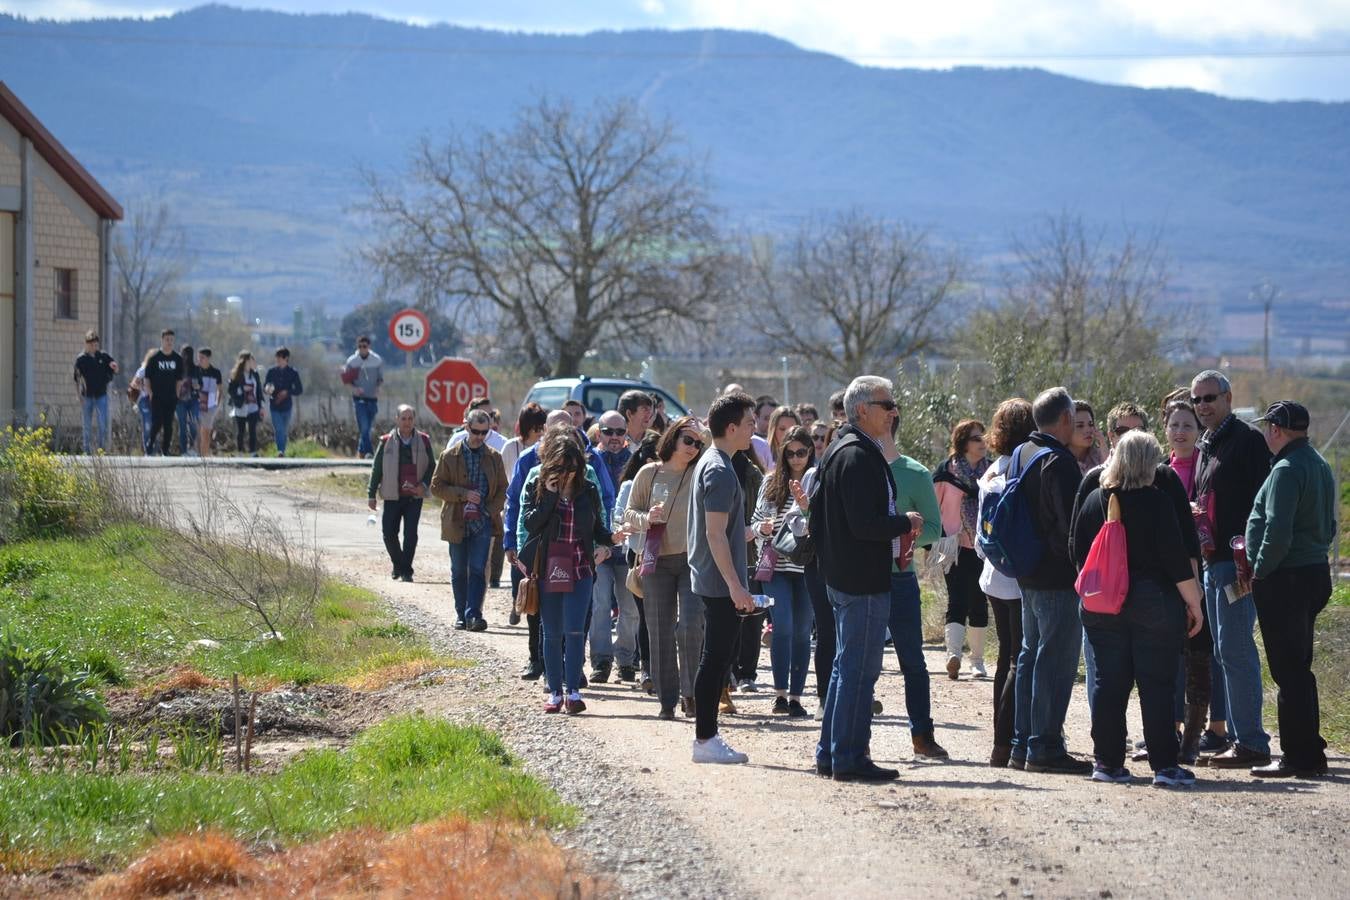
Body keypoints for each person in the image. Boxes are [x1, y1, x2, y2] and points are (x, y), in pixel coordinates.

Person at [1070, 431, 1205, 787]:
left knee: (1109, 683)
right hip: (1154, 605)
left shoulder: (1094, 500)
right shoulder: (1158, 502)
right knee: (1157, 685)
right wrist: (1194, 603)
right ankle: (1164, 766)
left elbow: (1076, 553)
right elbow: (1176, 560)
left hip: (1101, 608)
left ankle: (1108, 763)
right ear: (1150, 463)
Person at [813, 376, 921, 782]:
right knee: (859, 670)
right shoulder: (856, 455)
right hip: (860, 578)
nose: (894, 410)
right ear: (863, 410)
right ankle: (850, 757)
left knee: (847, 667)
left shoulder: (845, 448)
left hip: (845, 575)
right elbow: (864, 524)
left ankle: (832, 752)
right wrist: (904, 522)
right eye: (886, 404)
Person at [1246, 401, 1336, 777]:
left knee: (1289, 671)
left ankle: (1298, 756)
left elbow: (1277, 533)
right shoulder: (1318, 463)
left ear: (1277, 430)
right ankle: (1310, 749)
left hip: (1286, 578)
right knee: (1299, 667)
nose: (1267, 433)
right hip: (1314, 571)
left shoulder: (1285, 469)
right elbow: (1330, 527)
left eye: (1268, 427)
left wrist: (1260, 572)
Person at [1189, 370, 1273, 769]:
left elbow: (1265, 504)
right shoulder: (1207, 445)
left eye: (1210, 398)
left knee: (1236, 649)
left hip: (1236, 566)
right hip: (1212, 563)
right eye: (1197, 400)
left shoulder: (1247, 441)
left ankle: (1252, 743)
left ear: (1228, 398)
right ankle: (1241, 738)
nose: (1203, 406)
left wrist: (1251, 559)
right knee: (1223, 651)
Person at [1011, 386, 1091, 775]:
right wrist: (1081, 566)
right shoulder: (1057, 461)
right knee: (1054, 661)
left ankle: (1022, 742)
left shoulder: (1020, 453)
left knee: (1030, 656)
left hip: (1025, 572)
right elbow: (1068, 526)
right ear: (1063, 420)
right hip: (1056, 577)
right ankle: (1044, 746)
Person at [506, 414, 608, 681]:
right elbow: (524, 521)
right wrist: (522, 553)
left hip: (579, 560)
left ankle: (571, 669)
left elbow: (600, 516)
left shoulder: (588, 478)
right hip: (546, 560)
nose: (567, 472)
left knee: (578, 618)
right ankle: (549, 670)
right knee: (546, 621)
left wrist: (604, 546)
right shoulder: (534, 476)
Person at [520, 436, 613, 715]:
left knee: (574, 631)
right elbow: (530, 523)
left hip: (581, 568)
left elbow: (597, 528)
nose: (566, 474)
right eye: (559, 467)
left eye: (571, 468)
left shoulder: (588, 490)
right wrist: (548, 496)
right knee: (551, 632)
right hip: (549, 569)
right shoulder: (538, 487)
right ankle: (555, 692)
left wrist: (612, 539)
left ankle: (573, 691)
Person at [688, 392, 757, 763]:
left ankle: (707, 738)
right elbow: (714, 534)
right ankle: (705, 740)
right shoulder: (719, 469)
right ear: (731, 428)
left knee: (716, 657)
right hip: (718, 580)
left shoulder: (715, 462)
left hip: (714, 576)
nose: (754, 429)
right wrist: (735, 585)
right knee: (715, 659)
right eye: (749, 423)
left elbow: (722, 528)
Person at [625, 417, 706, 719]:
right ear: (672, 439)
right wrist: (648, 519)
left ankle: (691, 693)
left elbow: (715, 445)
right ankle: (667, 700)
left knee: (690, 625)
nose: (693, 448)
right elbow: (629, 513)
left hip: (690, 560)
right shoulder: (650, 472)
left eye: (698, 444)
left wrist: (700, 428)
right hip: (655, 560)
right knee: (658, 630)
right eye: (688, 440)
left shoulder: (699, 472)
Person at [879, 418, 948, 759]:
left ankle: (922, 735)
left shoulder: (916, 472)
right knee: (854, 662)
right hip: (858, 579)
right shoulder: (852, 467)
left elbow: (935, 528)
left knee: (912, 661)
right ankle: (851, 738)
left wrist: (904, 534)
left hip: (899, 578)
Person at [1165, 398, 1226, 761]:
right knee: (1174, 653)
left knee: (1207, 652)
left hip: (1205, 566)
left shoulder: (1208, 465)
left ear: (1198, 430)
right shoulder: (1160, 469)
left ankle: (1215, 728)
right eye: (1175, 425)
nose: (1181, 432)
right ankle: (1169, 728)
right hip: (1172, 572)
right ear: (1166, 430)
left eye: (1188, 425)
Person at [978, 398, 1035, 767]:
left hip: (994, 574)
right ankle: (1010, 741)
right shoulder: (1026, 468)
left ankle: (1002, 742)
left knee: (1005, 658)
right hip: (1020, 575)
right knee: (1019, 657)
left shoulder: (990, 472)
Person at [752, 425, 815, 718]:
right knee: (784, 626)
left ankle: (796, 697)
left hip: (807, 567)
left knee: (803, 631)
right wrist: (762, 528)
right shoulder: (770, 483)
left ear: (810, 452)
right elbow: (756, 521)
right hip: (775, 564)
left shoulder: (817, 482)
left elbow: (823, 521)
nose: (795, 459)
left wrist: (805, 508)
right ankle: (778, 694)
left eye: (801, 452)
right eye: (789, 453)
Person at [431, 408, 507, 626]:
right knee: (458, 569)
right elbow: (436, 487)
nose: (480, 437)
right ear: (466, 427)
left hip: (482, 523)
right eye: (476, 431)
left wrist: (489, 510)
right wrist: (463, 495)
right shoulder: (449, 456)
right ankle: (460, 614)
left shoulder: (494, 457)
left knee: (477, 568)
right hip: (456, 521)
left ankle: (474, 614)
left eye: (485, 433)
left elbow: (503, 489)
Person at [933, 419, 993, 680]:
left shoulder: (992, 472)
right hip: (953, 545)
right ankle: (953, 655)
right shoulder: (945, 472)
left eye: (983, 437)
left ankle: (977, 661)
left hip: (984, 546)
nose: (983, 442)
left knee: (980, 601)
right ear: (963, 443)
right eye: (977, 438)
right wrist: (932, 540)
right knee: (956, 599)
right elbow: (933, 506)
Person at [589, 411, 639, 684]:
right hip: (598, 546)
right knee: (599, 605)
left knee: (629, 607)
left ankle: (626, 660)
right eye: (609, 432)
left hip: (627, 548)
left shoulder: (634, 462)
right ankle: (601, 660)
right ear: (599, 432)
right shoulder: (590, 461)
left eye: (620, 432)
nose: (615, 438)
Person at [614, 430, 662, 696]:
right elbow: (620, 520)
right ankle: (647, 668)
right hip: (640, 556)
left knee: (664, 616)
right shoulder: (630, 486)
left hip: (668, 555)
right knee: (645, 615)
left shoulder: (676, 482)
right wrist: (641, 520)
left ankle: (664, 667)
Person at [369, 405, 435, 583]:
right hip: (392, 495)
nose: (407, 422)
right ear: (396, 419)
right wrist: (371, 494)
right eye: (403, 418)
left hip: (414, 496)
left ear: (414, 420)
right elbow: (377, 469)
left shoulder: (424, 440)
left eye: (410, 419)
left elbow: (432, 466)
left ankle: (407, 571)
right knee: (389, 533)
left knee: (411, 534)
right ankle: (398, 564)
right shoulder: (386, 441)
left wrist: (424, 485)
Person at [502, 403, 548, 614]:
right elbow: (508, 484)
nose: (539, 431)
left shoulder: (547, 449)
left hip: (536, 511)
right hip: (518, 506)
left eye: (542, 426)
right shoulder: (514, 449)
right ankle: (517, 599)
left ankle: (527, 601)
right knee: (518, 563)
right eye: (535, 426)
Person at [73, 330, 117, 454]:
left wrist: (115, 366)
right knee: (86, 425)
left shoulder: (103, 356)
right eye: (91, 344)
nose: (94, 347)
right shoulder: (81, 359)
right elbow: (77, 379)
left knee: (102, 424)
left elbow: (113, 366)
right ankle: (86, 450)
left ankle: (101, 449)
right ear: (86, 344)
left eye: (96, 344)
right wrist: (78, 396)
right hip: (86, 396)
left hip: (101, 395)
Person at [145, 329, 184, 456]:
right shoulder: (155, 358)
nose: (169, 342)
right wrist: (150, 392)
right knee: (157, 421)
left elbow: (179, 379)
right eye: (167, 340)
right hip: (157, 396)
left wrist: (177, 393)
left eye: (172, 340)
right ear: (162, 340)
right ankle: (150, 443)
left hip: (171, 396)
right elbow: (147, 377)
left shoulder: (177, 359)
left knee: (168, 424)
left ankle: (165, 450)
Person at [344, 336, 384, 459]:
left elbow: (380, 379)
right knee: (364, 426)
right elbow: (347, 380)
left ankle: (361, 452)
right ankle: (369, 453)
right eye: (360, 346)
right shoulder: (352, 361)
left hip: (372, 398)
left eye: (364, 346)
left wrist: (378, 388)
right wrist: (354, 389)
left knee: (367, 428)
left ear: (369, 347)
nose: (362, 349)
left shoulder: (377, 360)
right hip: (359, 399)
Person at [265, 347, 304, 458]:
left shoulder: (293, 373)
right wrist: (268, 389)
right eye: (276, 358)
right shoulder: (271, 372)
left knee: (284, 430)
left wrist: (287, 392)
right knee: (279, 429)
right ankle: (280, 451)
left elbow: (299, 389)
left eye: (280, 358)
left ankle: (282, 450)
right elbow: (266, 385)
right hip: (274, 405)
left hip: (287, 406)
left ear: (286, 358)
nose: (277, 360)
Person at [227, 352, 263, 456]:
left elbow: (258, 391)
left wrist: (261, 406)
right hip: (241, 406)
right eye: (250, 360)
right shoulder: (237, 374)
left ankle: (253, 452)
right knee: (241, 431)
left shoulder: (255, 374)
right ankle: (240, 452)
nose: (252, 362)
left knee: (252, 430)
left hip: (253, 406)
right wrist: (242, 389)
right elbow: (231, 390)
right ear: (245, 361)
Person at [195, 349, 222, 457]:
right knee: (197, 432)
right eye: (198, 357)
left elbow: (220, 389)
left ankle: (204, 456)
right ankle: (198, 455)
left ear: (208, 358)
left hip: (210, 406)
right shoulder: (196, 370)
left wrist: (217, 404)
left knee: (206, 433)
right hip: (197, 404)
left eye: (202, 357)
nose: (199, 360)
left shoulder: (216, 372)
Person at [129, 350, 156, 456]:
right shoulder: (143, 369)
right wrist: (142, 385)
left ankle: (153, 449)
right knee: (147, 424)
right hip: (144, 399)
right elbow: (134, 383)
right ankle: (148, 451)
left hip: (156, 400)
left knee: (155, 425)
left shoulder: (159, 369)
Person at [174, 344, 198, 457]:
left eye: (187, 354)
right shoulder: (176, 368)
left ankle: (192, 448)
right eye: (183, 354)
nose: (185, 357)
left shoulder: (196, 369)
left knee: (193, 424)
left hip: (193, 399)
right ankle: (184, 451)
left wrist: (197, 386)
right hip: (179, 401)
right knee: (182, 426)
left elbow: (201, 384)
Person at [1070, 401, 1106, 475]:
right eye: (1080, 426)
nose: (1088, 430)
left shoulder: (1099, 455)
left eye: (1090, 424)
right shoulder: (1059, 459)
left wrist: (1103, 445)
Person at [750, 395, 777, 469]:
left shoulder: (781, 442)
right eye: (767, 418)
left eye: (774, 419)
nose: (771, 423)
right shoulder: (749, 442)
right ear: (755, 417)